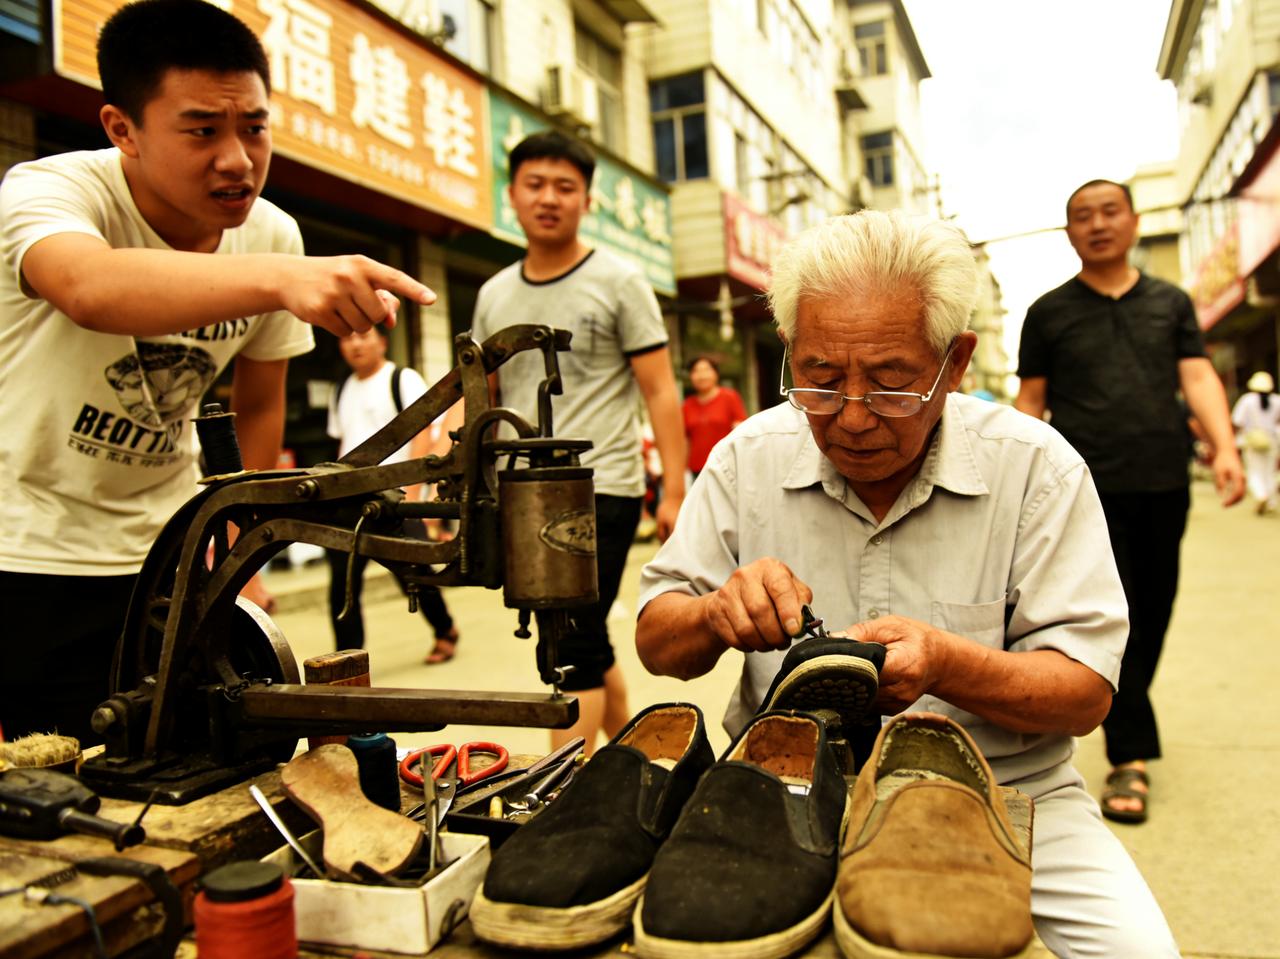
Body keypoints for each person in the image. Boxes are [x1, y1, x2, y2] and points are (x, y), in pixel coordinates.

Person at [637, 211, 1180, 955]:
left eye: (892, 384)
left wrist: (947, 662)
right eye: (821, 380)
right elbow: (656, 638)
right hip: (781, 785)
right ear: (792, 353)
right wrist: (714, 613)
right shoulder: (748, 458)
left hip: (1002, 788)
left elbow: (1086, 692)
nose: (853, 418)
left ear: (955, 364)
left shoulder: (1035, 470)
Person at [0, 0, 435, 745]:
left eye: (255, 128)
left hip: (161, 558)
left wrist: (241, 545)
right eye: (203, 129)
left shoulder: (270, 234)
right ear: (122, 129)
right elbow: (88, 287)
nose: (237, 158)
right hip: (25, 553)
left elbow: (258, 404)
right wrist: (280, 279)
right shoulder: (51, 193)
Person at [1014, 179, 1243, 824]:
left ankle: (1120, 714)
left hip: (1163, 478)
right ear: (1069, 233)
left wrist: (1224, 448)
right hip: (1084, 490)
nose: (1098, 224)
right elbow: (1032, 402)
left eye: (1110, 211)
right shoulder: (1048, 312)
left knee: (1156, 608)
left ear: (1134, 223)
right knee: (1118, 613)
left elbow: (1195, 376)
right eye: (1082, 216)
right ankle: (1130, 754)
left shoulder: (1170, 303)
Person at [471, 130, 686, 755]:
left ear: (587, 200)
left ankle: (558, 794)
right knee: (579, 639)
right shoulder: (493, 295)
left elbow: (660, 391)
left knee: (572, 649)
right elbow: (483, 396)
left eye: (565, 187)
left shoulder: (620, 281)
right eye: (535, 185)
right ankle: (638, 761)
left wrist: (674, 491)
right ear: (510, 194)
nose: (549, 198)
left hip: (604, 485)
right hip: (520, 493)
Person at [325, 326, 460, 661]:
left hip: (397, 497)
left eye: (363, 336)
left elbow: (425, 434)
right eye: (347, 337)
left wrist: (414, 495)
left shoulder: (402, 378)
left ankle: (445, 630)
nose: (355, 343)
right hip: (351, 497)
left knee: (414, 575)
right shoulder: (341, 388)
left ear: (382, 341)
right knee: (342, 583)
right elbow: (343, 441)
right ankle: (348, 659)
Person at [682, 355, 747, 479]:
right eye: (696, 371)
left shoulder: (730, 397)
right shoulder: (687, 405)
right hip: (697, 470)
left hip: (726, 466)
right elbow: (685, 441)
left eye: (706, 370)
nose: (702, 375)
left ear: (716, 374)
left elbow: (741, 430)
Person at [1232, 370, 1280, 514]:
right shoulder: (1277, 400)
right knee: (1269, 471)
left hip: (1252, 439)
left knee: (1254, 471)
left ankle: (1261, 495)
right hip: (1271, 439)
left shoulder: (1247, 400)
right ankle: (1271, 502)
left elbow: (1237, 421)